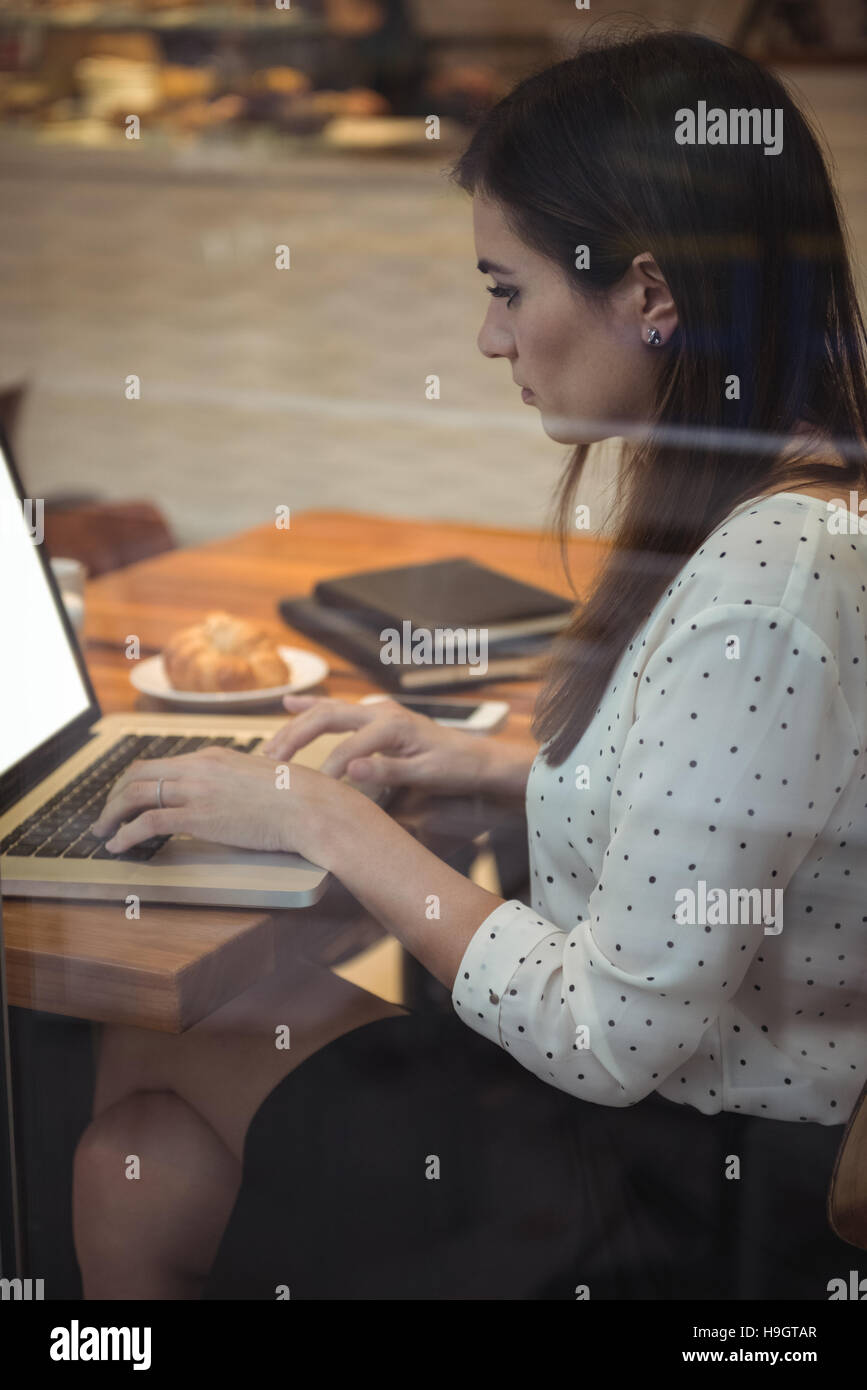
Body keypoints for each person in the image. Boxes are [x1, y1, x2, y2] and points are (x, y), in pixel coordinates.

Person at [74, 28, 867, 1300]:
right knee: (139, 1155)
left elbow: (610, 1032)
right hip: (673, 1115)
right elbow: (752, 805)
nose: (491, 337)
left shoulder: (767, 587)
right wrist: (493, 765)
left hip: (693, 1183)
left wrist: (331, 825)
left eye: (508, 289)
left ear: (652, 296)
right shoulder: (797, 494)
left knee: (135, 1074)